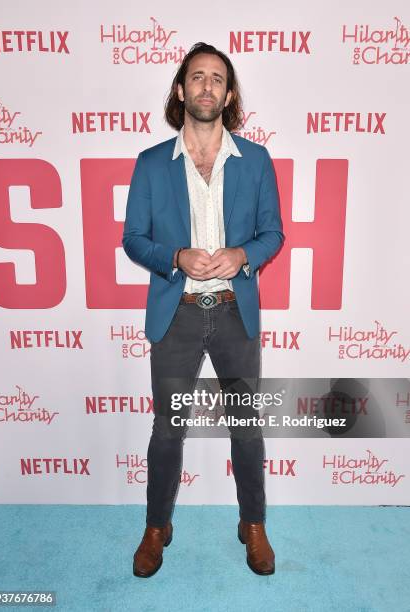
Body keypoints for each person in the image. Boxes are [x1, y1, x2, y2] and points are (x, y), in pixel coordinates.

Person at [122, 42, 285, 577]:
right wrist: (174, 256)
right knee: (168, 428)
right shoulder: (151, 164)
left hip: (236, 309)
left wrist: (242, 255)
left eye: (217, 78)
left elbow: (272, 235)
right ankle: (156, 526)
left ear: (229, 94)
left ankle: (254, 524)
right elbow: (133, 239)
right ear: (181, 90)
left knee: (246, 426)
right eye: (197, 77)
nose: (207, 86)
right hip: (179, 312)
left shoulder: (255, 160)